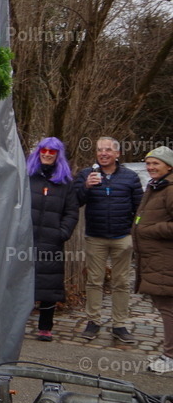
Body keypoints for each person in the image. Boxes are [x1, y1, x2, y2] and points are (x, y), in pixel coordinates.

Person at [74, 136, 143, 343]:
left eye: (108, 150)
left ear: (117, 154)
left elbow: (140, 208)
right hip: (95, 237)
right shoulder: (87, 174)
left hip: (123, 238)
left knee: (121, 282)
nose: (103, 153)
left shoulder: (130, 177)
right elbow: (75, 201)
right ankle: (93, 321)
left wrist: (134, 233)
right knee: (94, 281)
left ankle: (119, 325)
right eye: (99, 150)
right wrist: (85, 186)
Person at [26, 137, 80, 341]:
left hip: (51, 241)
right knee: (24, 284)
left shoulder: (65, 183)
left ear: (58, 155)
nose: (47, 154)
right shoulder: (27, 177)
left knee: (49, 284)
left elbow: (72, 212)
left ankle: (45, 327)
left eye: (52, 151)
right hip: (26, 240)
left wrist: (62, 233)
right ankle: (17, 324)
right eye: (44, 150)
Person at [132, 146, 173, 374]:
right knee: (165, 306)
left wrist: (151, 229)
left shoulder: (170, 189)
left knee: (168, 308)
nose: (150, 167)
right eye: (148, 163)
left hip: (166, 260)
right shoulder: (157, 186)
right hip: (156, 259)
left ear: (169, 166)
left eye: (155, 163)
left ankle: (170, 356)